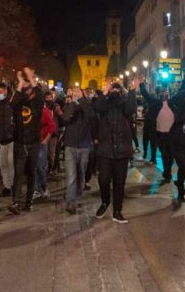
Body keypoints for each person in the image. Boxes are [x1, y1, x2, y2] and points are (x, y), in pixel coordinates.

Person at [92, 77, 139, 223]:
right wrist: (105, 92)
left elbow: (131, 109)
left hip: (122, 150)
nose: (116, 92)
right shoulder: (104, 104)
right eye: (114, 89)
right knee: (104, 179)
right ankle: (105, 202)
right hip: (105, 150)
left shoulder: (125, 104)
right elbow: (97, 107)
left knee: (120, 183)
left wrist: (132, 92)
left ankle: (117, 211)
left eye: (118, 89)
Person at [8, 67, 44, 215]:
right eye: (26, 89)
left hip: (34, 142)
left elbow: (40, 96)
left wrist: (31, 78)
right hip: (20, 143)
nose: (28, 92)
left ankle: (28, 201)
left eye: (30, 89)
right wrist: (21, 82)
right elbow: (12, 102)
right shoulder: (18, 103)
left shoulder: (37, 103)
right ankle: (15, 201)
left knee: (31, 173)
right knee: (18, 173)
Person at [62, 86, 94, 214]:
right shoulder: (70, 105)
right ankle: (71, 202)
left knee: (81, 173)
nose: (74, 93)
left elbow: (90, 115)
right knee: (71, 175)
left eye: (77, 92)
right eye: (73, 92)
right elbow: (65, 118)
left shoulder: (86, 105)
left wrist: (81, 100)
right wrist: (73, 102)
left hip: (84, 145)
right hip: (70, 145)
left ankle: (77, 192)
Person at [141, 82, 174, 182]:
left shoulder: (172, 103)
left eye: (166, 92)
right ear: (159, 94)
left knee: (171, 154)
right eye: (162, 93)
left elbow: (181, 92)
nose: (164, 94)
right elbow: (146, 95)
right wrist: (142, 84)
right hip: (160, 133)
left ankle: (167, 170)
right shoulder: (155, 103)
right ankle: (167, 171)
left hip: (171, 133)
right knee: (164, 154)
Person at [0, 81, 15, 198]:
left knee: (10, 164)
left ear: (5, 91)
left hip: (11, 139)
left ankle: (13, 185)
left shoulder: (11, 104)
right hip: (0, 140)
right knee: (2, 165)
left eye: (0, 92)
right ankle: (7, 186)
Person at [34, 95, 57, 199]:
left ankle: (43, 187)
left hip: (41, 142)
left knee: (41, 167)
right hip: (33, 143)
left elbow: (52, 126)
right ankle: (36, 189)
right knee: (34, 167)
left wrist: (46, 140)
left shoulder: (45, 111)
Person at [140, 83, 162, 165]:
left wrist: (142, 84)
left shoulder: (154, 102)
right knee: (154, 142)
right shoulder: (164, 102)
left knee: (151, 141)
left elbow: (145, 94)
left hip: (152, 124)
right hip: (155, 124)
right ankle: (152, 157)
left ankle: (151, 157)